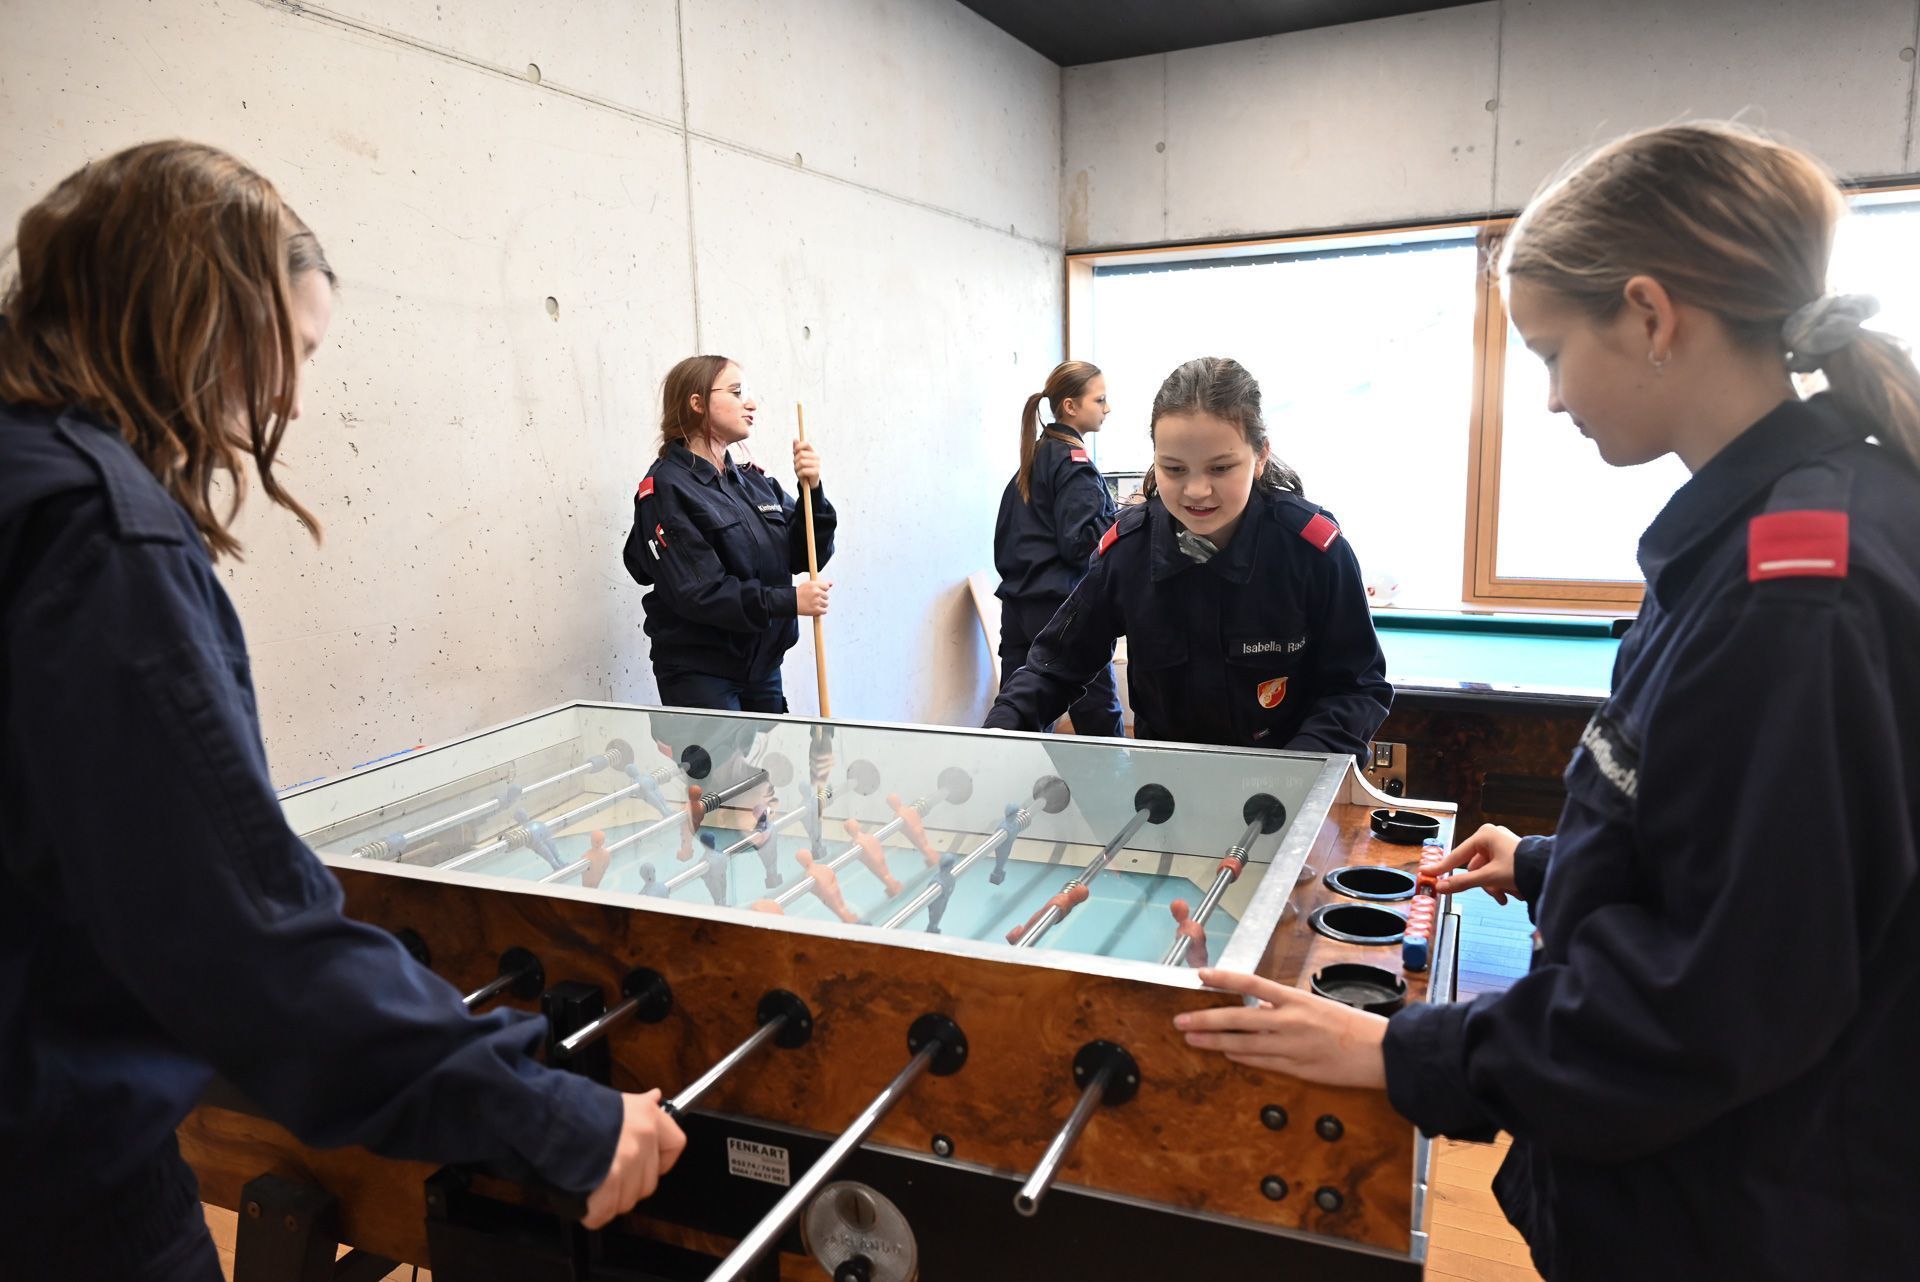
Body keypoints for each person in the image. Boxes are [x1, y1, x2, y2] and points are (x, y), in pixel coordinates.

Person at [1174, 123, 1920, 1282]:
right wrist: (1546, 862)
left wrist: (1399, 1049)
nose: (1556, 396)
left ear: (1652, 314)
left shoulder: (1795, 588)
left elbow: (1720, 998)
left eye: (1554, 351)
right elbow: (1755, 860)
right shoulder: (1797, 520)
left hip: (1745, 1212)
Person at [0, 141, 683, 1282]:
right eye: (290, 351)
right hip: (56, 1185)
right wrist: (555, 1114)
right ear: (200, 313)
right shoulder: (98, 537)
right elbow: (245, 942)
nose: (292, 399)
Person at [985, 356, 1391, 755]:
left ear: (1260, 456)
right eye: (1175, 469)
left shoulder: (1313, 552)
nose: (1196, 491)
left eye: (1220, 468)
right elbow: (1055, 666)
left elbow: (1357, 685)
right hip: (1164, 792)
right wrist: (993, 737)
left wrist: (1299, 771)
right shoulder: (1128, 552)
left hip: (1286, 786)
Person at [625, 356, 835, 713]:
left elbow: (804, 554)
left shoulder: (753, 480)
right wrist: (788, 601)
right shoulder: (665, 488)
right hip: (702, 674)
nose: (750, 403)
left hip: (763, 668)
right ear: (697, 403)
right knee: (721, 771)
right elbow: (699, 592)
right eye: (737, 392)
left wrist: (812, 490)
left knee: (769, 771)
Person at [991, 360, 1123, 736]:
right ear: (1070, 406)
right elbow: (1081, 545)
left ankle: (1014, 794)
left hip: (1019, 606)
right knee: (1098, 716)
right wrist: (1120, 519)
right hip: (1060, 608)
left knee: (1019, 718)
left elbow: (1009, 538)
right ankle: (1113, 794)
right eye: (1100, 400)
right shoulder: (1072, 463)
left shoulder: (1033, 459)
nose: (1107, 408)